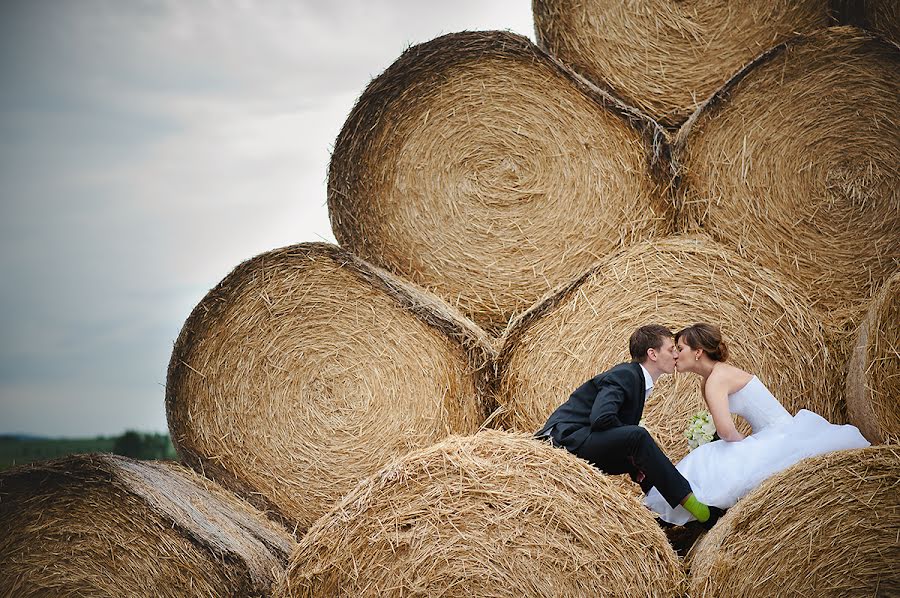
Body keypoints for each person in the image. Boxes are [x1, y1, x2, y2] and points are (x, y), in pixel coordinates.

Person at [644, 323, 870, 525]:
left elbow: (725, 430)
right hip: (770, 433)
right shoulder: (710, 380)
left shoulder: (716, 380)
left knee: (705, 459)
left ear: (698, 352)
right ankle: (692, 511)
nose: (675, 355)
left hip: (780, 434)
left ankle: (691, 513)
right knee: (711, 458)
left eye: (680, 348)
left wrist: (743, 444)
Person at [536, 324, 724, 528]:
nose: (676, 355)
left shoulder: (637, 379)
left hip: (580, 438)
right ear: (652, 353)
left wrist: (633, 458)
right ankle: (700, 511)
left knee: (642, 454)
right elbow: (601, 418)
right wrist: (629, 450)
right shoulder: (626, 374)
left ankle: (667, 516)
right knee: (638, 438)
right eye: (671, 349)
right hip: (565, 439)